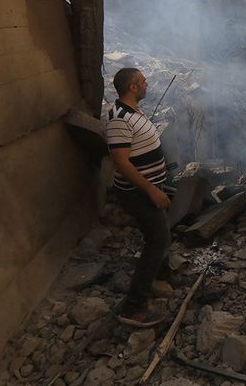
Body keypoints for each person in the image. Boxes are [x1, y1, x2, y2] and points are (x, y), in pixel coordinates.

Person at [106, 67, 171, 328]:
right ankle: (134, 307)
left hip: (149, 187)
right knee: (158, 240)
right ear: (132, 87)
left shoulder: (131, 111)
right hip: (139, 193)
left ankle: (160, 276)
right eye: (143, 81)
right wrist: (152, 189)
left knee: (161, 234)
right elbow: (121, 163)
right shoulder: (120, 118)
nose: (147, 84)